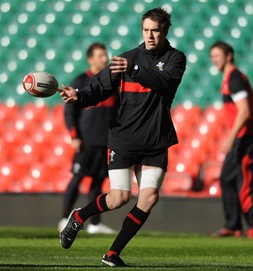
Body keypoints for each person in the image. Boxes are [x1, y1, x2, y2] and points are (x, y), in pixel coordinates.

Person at [59, 8, 186, 267]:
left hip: (156, 138)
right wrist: (79, 96)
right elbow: (99, 88)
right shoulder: (126, 59)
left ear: (165, 31)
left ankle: (112, 253)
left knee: (149, 198)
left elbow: (163, 82)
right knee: (119, 198)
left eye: (155, 30)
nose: (150, 35)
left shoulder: (175, 59)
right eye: (146, 30)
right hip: (124, 138)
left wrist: (135, 68)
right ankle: (79, 217)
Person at [209, 41, 253, 238]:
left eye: (217, 55)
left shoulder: (234, 78)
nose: (214, 60)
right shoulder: (228, 78)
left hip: (249, 137)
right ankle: (233, 225)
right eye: (212, 56)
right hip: (242, 137)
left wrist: (230, 137)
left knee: (245, 181)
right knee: (227, 178)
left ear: (229, 56)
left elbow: (245, 111)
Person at [59, 43, 116, 234]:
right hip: (87, 139)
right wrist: (74, 136)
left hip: (106, 139)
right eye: (100, 56)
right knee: (78, 178)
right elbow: (69, 112)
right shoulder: (80, 80)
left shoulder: (111, 81)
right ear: (90, 59)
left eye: (105, 55)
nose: (104, 59)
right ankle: (63, 218)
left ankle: (95, 223)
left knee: (99, 182)